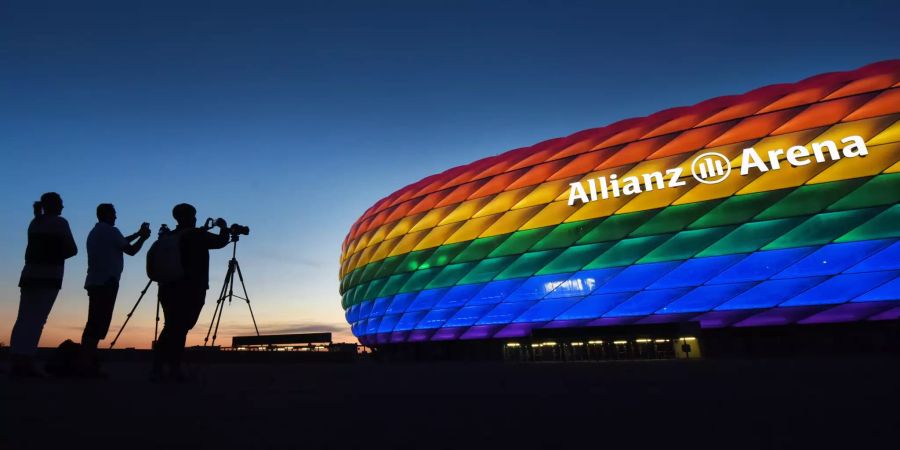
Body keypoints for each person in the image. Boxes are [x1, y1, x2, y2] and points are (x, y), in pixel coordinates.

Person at [152, 203, 229, 380]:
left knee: (171, 326)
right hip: (190, 288)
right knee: (179, 329)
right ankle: (173, 370)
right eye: (193, 215)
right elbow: (220, 242)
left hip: (167, 287)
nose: (195, 218)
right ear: (189, 217)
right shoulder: (195, 234)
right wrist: (223, 227)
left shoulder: (170, 235)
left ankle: (158, 368)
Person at [9, 192, 78, 377]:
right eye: (61, 203)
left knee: (23, 318)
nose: (63, 207)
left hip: (29, 275)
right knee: (37, 320)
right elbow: (72, 249)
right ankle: (27, 363)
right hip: (48, 276)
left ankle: (17, 360)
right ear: (55, 205)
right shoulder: (59, 223)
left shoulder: (35, 222)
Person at [78, 203, 151, 375]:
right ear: (108, 214)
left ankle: (86, 361)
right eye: (114, 214)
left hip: (96, 281)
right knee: (97, 323)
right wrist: (143, 238)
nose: (116, 217)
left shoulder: (97, 232)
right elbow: (131, 250)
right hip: (106, 282)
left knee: (94, 321)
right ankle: (86, 364)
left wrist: (137, 234)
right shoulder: (110, 231)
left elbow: (120, 242)